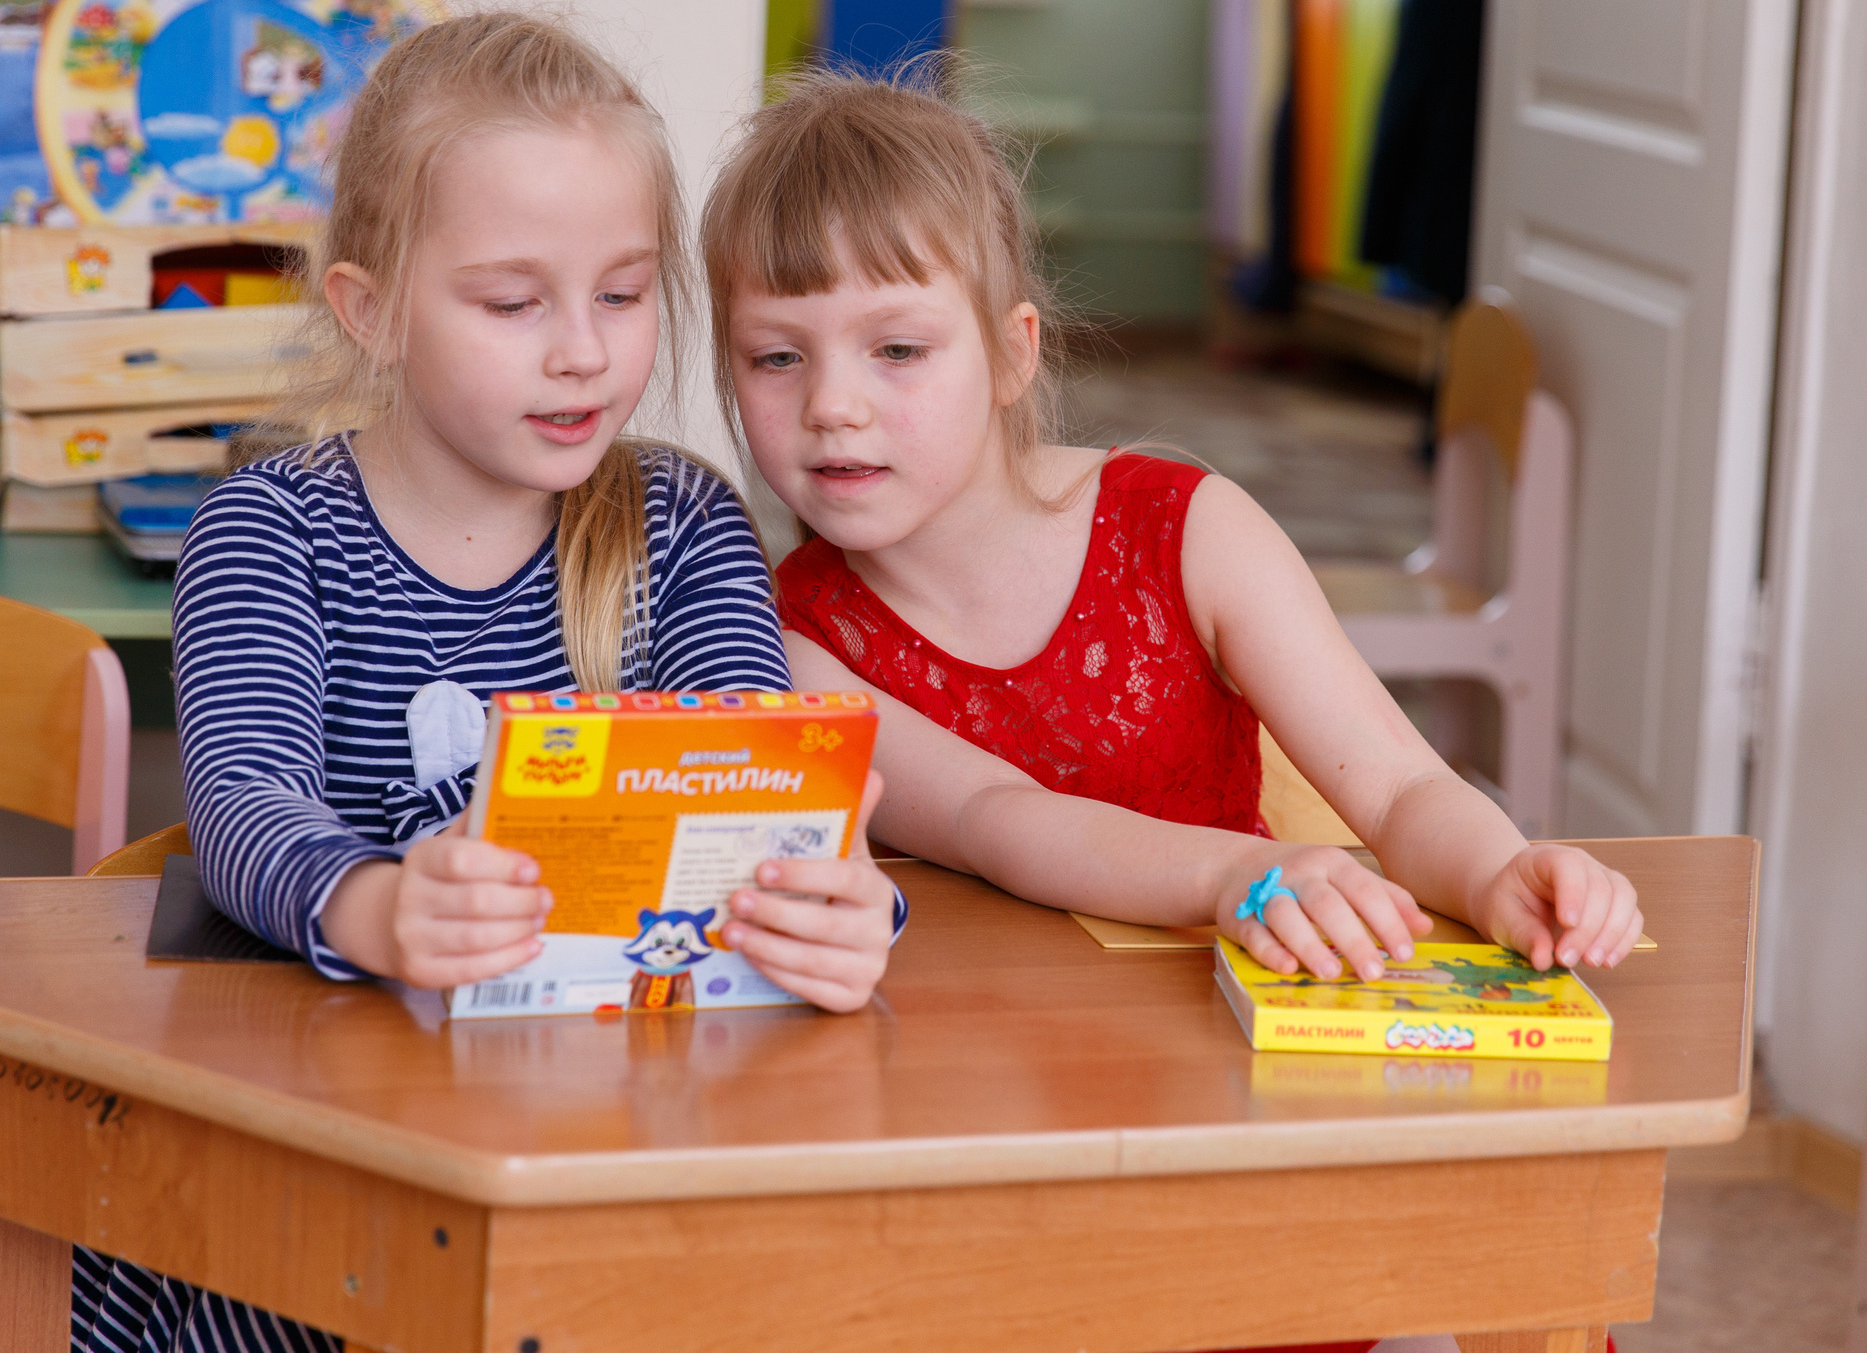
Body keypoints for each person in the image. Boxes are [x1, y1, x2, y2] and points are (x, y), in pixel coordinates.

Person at [77, 14, 897, 1353]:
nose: (582, 351)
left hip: (609, 1162)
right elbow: (241, 800)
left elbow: (770, 780)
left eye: (622, 294)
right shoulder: (269, 532)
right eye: (515, 305)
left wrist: (843, 901)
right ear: (370, 309)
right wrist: (380, 905)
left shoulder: (687, 525)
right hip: (316, 1177)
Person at [703, 62, 1642, 995]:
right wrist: (1233, 873)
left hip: (1233, 1030)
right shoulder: (783, 642)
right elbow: (996, 815)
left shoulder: (1190, 532)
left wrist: (1496, 872)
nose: (832, 404)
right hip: (996, 1043)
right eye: (777, 357)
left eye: (898, 348)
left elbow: (1399, 786)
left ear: (1012, 353)